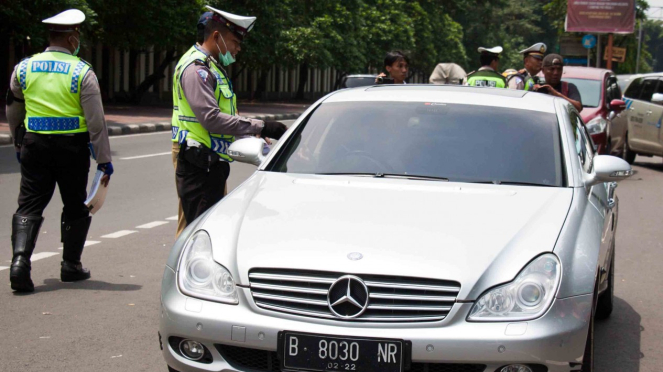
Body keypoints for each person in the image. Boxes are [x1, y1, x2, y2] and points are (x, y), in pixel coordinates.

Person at [6, 9, 113, 292]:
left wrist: (17, 140)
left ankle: (19, 263)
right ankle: (70, 266)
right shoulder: (82, 71)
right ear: (72, 36)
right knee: (75, 205)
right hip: (71, 148)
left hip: (34, 144)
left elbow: (13, 109)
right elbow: (96, 122)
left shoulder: (24, 67)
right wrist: (104, 160)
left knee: (29, 203)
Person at [174, 5, 287, 226]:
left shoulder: (213, 67)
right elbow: (211, 118)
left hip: (210, 161)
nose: (237, 49)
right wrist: (260, 126)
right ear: (217, 36)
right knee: (197, 229)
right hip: (198, 161)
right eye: (235, 42)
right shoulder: (197, 69)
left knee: (199, 226)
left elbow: (227, 113)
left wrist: (250, 134)